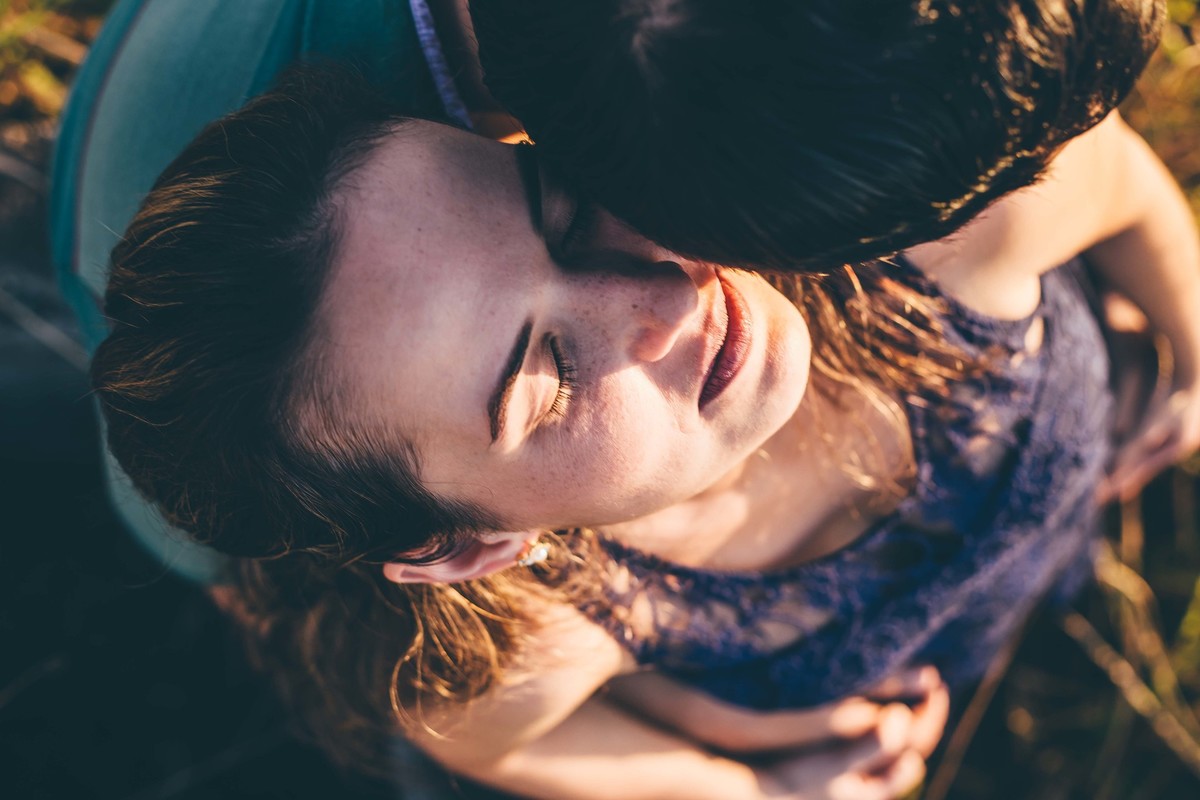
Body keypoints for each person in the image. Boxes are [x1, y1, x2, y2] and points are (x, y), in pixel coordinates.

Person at [89, 61, 1190, 798]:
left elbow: (1114, 173)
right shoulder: (543, 641)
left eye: (561, 209)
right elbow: (480, 736)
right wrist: (744, 782)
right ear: (474, 546)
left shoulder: (926, 234)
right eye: (548, 374)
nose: (661, 300)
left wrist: (1191, 342)